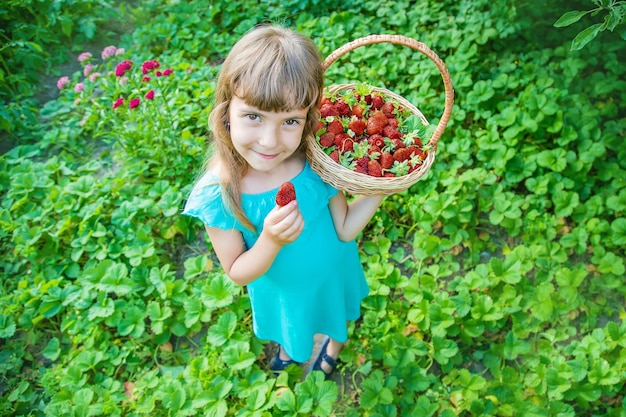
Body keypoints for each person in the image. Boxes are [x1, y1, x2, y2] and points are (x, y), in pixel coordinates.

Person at [182, 24, 384, 379]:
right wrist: (270, 240)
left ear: (308, 118)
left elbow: (345, 229)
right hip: (283, 288)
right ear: (227, 109)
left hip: (332, 271)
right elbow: (237, 271)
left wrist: (380, 187)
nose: (270, 140)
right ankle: (294, 349)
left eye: (290, 120)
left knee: (334, 315)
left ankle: (334, 345)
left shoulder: (315, 162)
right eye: (253, 116)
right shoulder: (220, 193)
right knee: (295, 323)